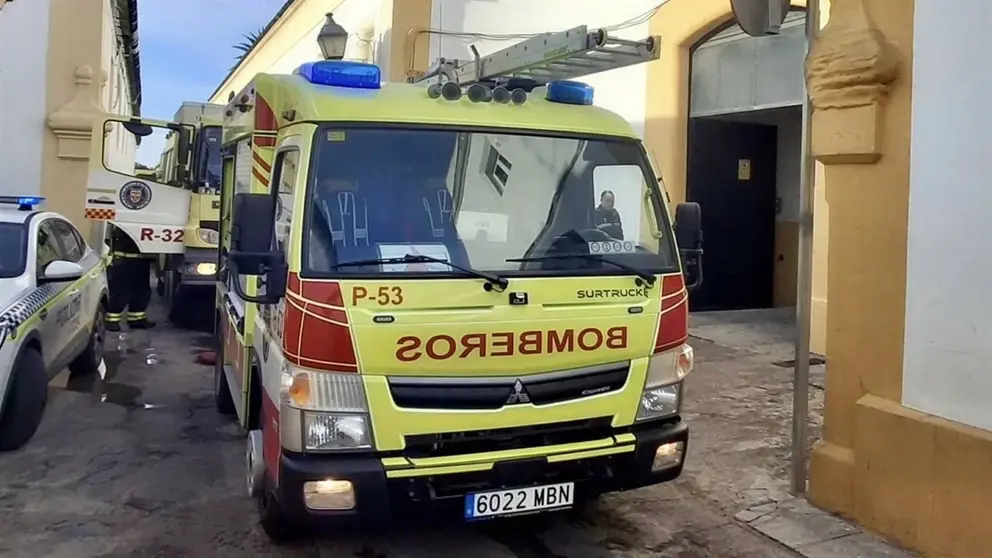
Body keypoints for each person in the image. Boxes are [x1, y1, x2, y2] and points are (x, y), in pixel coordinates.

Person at [105, 225, 156, 332]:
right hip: (125, 262)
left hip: (141, 261)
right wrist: (117, 259)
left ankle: (136, 319)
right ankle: (111, 321)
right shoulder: (125, 223)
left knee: (142, 292)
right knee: (122, 292)